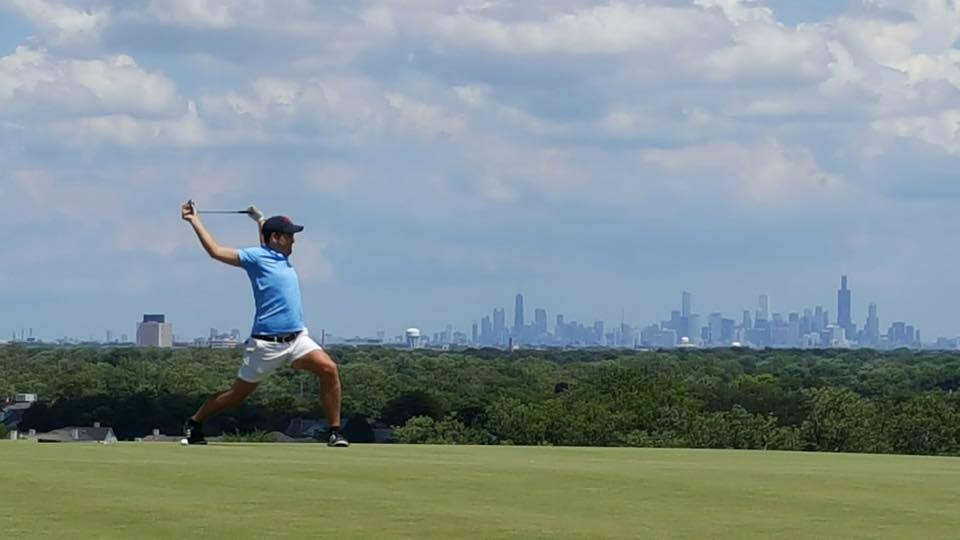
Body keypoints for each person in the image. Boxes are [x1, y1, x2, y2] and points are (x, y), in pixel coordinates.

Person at [180, 200, 349, 447]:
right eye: (289, 236)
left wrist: (259, 220)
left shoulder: (279, 256)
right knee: (236, 396)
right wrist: (194, 219)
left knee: (329, 369)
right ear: (276, 238)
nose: (294, 241)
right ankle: (195, 422)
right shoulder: (256, 257)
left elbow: (266, 240)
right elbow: (215, 251)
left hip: (297, 338)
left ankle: (335, 432)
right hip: (265, 345)